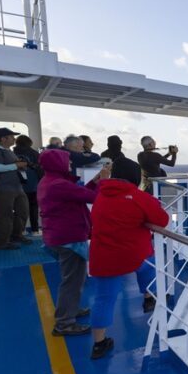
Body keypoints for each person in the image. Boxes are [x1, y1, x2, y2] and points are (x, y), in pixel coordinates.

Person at [88, 175, 169, 359]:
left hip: (104, 256)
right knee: (148, 267)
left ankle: (99, 344)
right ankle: (149, 298)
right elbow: (162, 220)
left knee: (103, 299)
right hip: (134, 254)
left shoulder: (100, 193)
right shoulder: (138, 196)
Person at [39, 150, 112, 335]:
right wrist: (103, 181)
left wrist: (95, 183)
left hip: (58, 236)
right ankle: (64, 323)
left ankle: (71, 310)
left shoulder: (49, 181)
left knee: (73, 279)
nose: (70, 164)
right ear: (58, 163)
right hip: (68, 238)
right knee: (72, 281)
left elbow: (81, 193)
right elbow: (93, 197)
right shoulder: (58, 185)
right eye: (67, 161)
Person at [0, 127, 31, 250]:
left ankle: (16, 235)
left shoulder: (9, 151)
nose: (14, 139)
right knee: (4, 215)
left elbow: (11, 166)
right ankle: (1, 242)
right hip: (3, 188)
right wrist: (16, 165)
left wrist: (20, 166)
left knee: (23, 211)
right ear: (3, 138)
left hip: (17, 187)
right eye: (12, 137)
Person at [13, 135, 43, 234]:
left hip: (17, 185)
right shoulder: (34, 153)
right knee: (33, 208)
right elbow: (40, 169)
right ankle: (35, 230)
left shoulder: (12, 153)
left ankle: (21, 230)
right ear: (29, 143)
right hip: (33, 185)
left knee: (18, 208)